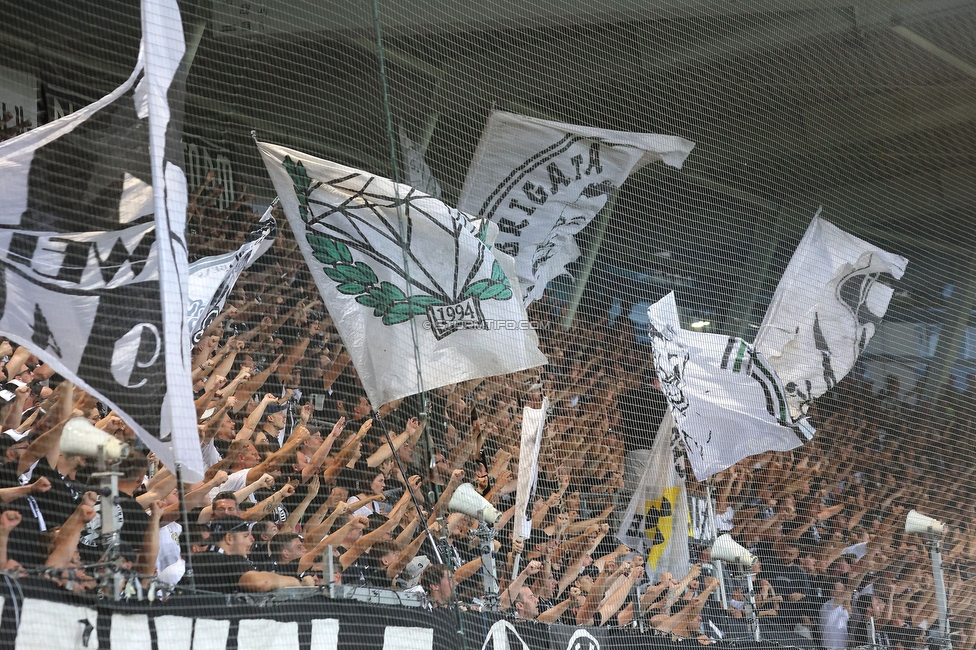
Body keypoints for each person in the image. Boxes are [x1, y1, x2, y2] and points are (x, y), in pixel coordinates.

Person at [188, 516, 303, 593]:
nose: (252, 539)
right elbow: (261, 583)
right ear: (229, 538)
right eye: (245, 535)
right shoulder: (231, 561)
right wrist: (294, 581)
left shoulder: (197, 558)